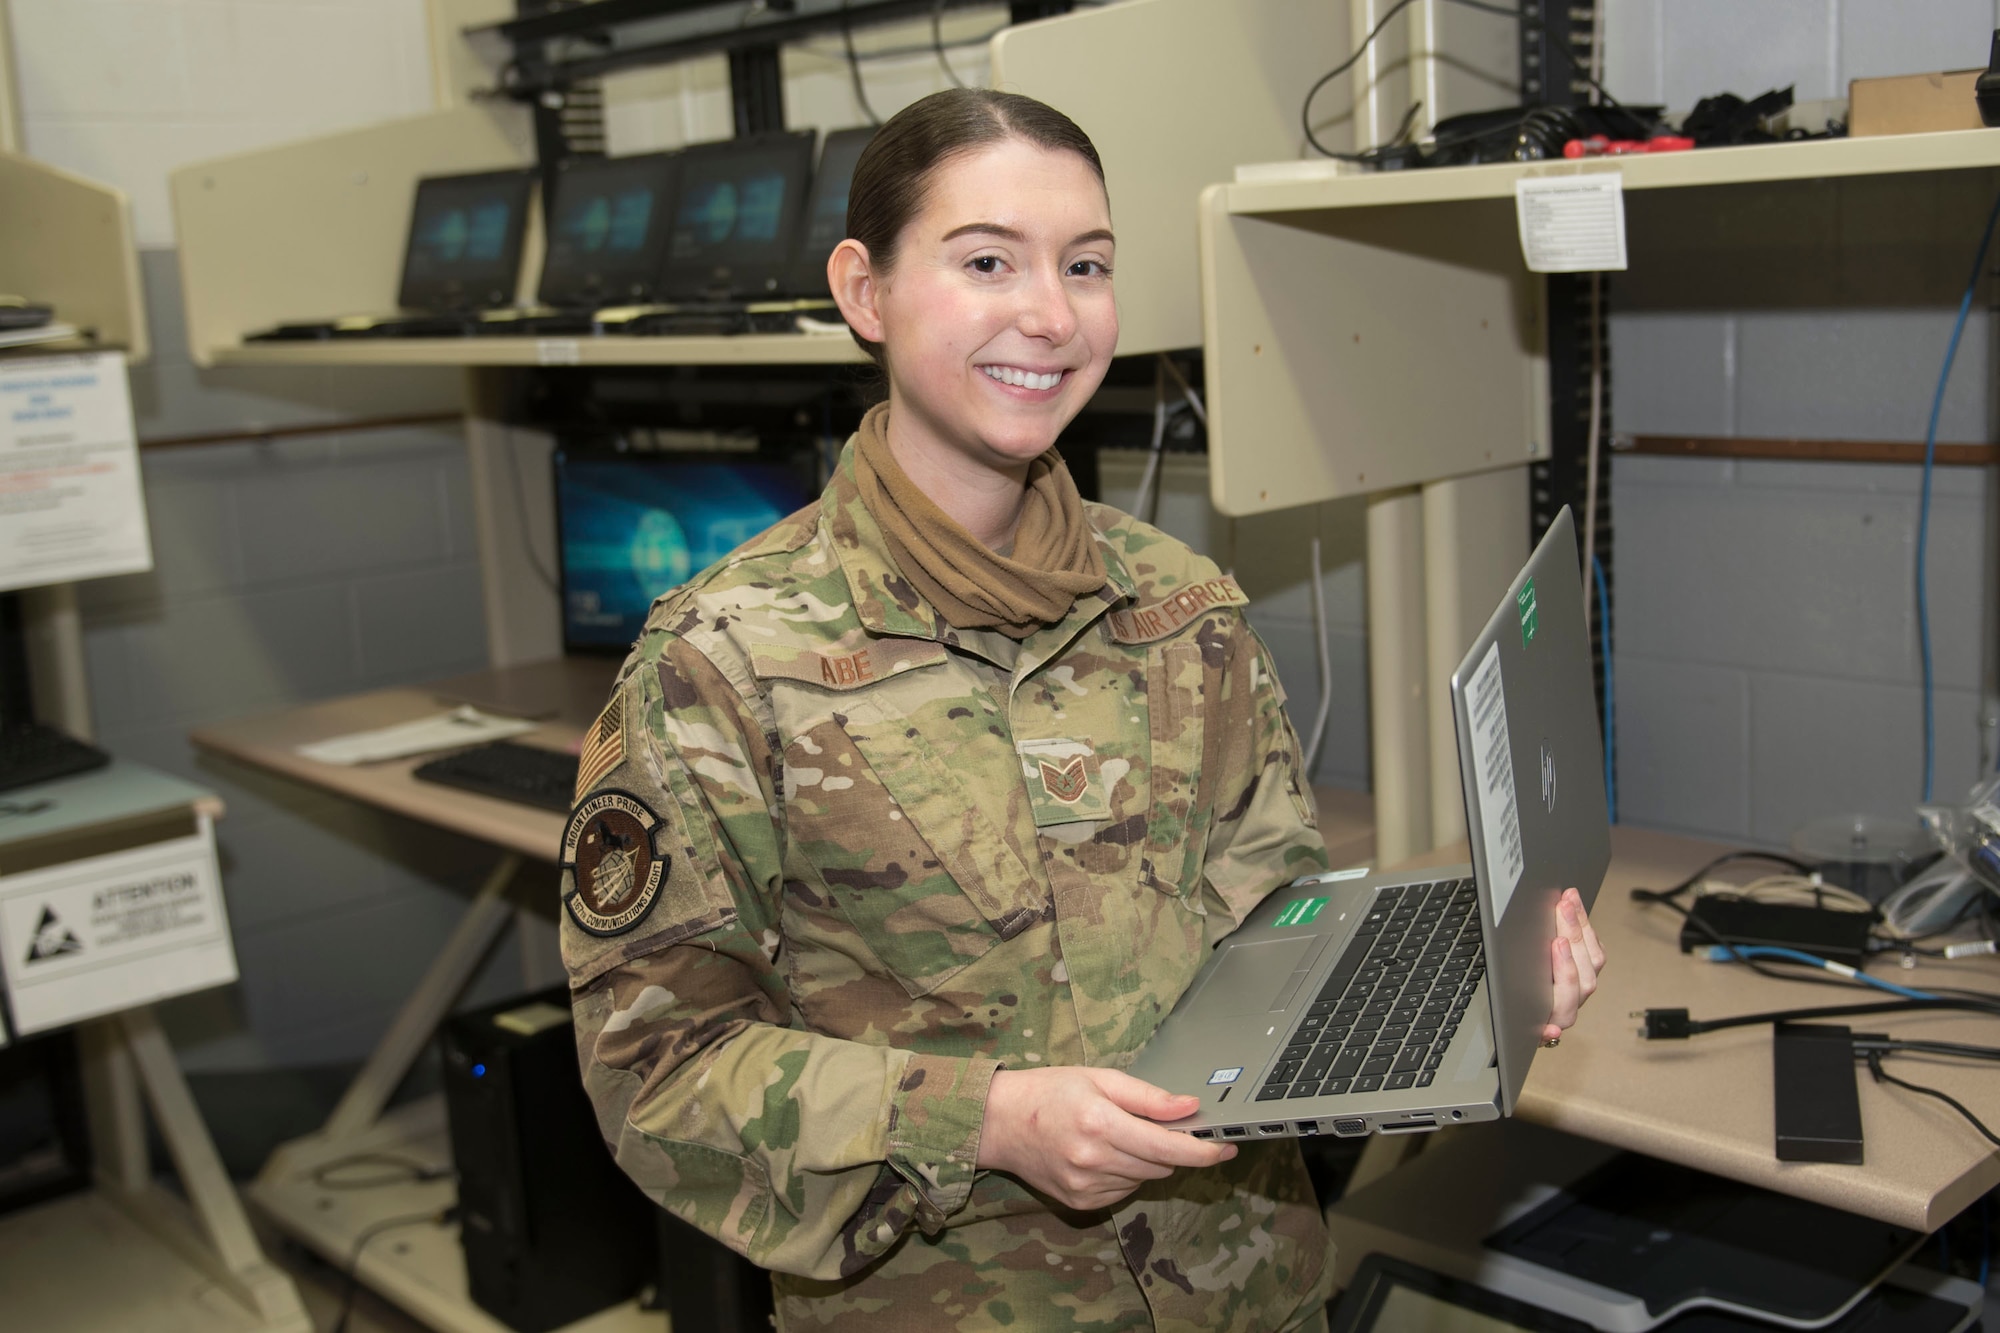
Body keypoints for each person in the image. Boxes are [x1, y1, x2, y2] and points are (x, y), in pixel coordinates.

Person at [558, 88, 1606, 1332]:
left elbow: (1266, 940)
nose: (1049, 315)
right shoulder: (721, 663)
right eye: (986, 260)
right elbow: (660, 1076)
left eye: (1086, 264)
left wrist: (1470, 985)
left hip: (1248, 1294)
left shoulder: (1182, 608)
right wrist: (987, 1121)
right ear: (864, 291)